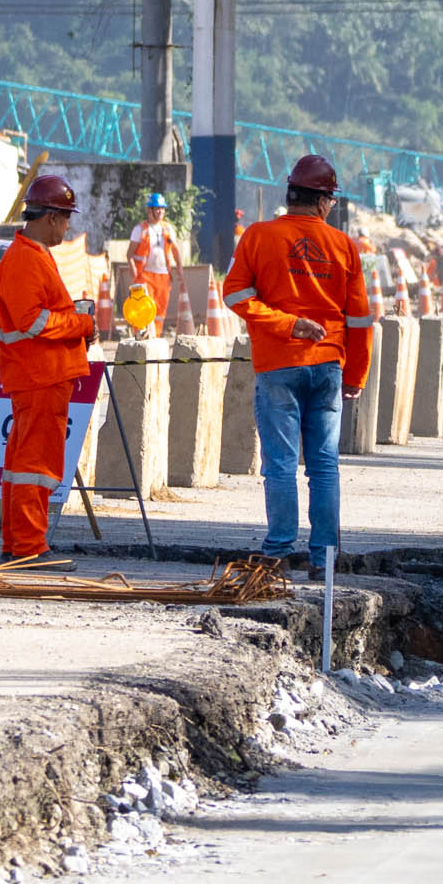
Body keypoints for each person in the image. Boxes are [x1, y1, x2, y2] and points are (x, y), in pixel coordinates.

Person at [221, 153, 372, 574]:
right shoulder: (344, 247)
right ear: (324, 202)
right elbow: (360, 321)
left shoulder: (258, 236)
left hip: (277, 366)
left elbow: (234, 295)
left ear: (290, 194)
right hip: (328, 367)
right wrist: (356, 374)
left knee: (281, 464)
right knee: (324, 465)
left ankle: (277, 552)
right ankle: (325, 556)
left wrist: (286, 325)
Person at [0, 173, 96, 562]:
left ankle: (17, 545)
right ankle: (30, 547)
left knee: (22, 465)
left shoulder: (33, 256)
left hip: (39, 375)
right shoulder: (25, 259)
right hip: (40, 376)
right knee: (36, 464)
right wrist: (82, 324)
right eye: (66, 218)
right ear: (51, 217)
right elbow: (32, 322)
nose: (68, 227)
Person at [129, 191, 184, 327]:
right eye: (157, 208)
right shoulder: (139, 230)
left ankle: (156, 339)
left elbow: (176, 251)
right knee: (144, 309)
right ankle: (141, 341)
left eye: (162, 208)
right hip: (145, 275)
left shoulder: (168, 228)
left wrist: (179, 269)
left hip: (163, 276)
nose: (160, 211)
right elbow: (129, 254)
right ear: (150, 210)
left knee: (160, 312)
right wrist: (134, 273)